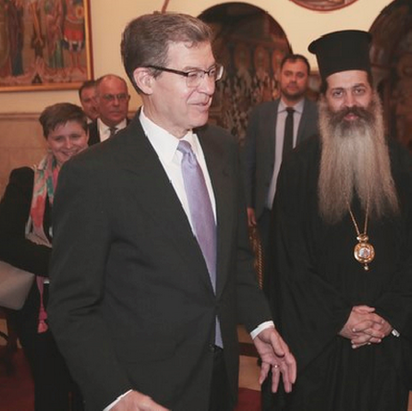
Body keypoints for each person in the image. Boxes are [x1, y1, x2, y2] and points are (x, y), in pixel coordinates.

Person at [47, 12, 296, 411]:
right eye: (191, 75)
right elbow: (71, 305)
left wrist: (260, 323)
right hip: (143, 389)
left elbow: (233, 259)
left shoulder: (223, 148)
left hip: (220, 374)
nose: (208, 87)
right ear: (145, 79)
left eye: (212, 71)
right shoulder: (93, 175)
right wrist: (114, 394)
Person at [263, 30, 412, 411]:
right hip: (321, 346)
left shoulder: (402, 166)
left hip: (384, 344)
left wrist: (387, 317)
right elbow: (288, 261)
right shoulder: (298, 168)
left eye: (358, 90)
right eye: (338, 93)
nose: (350, 104)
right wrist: (339, 318)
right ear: (323, 100)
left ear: (373, 95)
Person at [0, 103, 87, 411]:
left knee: (91, 386)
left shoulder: (105, 179)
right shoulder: (26, 181)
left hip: (93, 303)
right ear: (47, 140)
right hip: (40, 305)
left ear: (87, 135)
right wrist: (66, 266)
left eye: (75, 135)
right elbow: (6, 244)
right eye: (59, 138)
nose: (69, 145)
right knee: (52, 389)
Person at [241, 53, 318, 263]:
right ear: (279, 76)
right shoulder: (261, 114)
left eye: (300, 75)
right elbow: (248, 161)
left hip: (306, 213)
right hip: (266, 212)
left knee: (301, 268)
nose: (293, 79)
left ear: (307, 79)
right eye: (288, 74)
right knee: (268, 270)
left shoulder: (320, 116)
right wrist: (248, 202)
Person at [87, 74, 130, 146]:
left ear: (128, 99)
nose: (116, 103)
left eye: (121, 97)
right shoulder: (85, 134)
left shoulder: (141, 132)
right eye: (109, 97)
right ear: (96, 101)